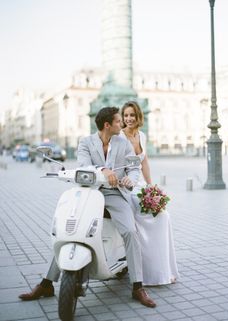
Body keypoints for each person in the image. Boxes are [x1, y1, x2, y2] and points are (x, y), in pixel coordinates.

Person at [19, 107, 156, 308]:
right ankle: (47, 283)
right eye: (119, 121)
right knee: (70, 232)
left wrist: (130, 179)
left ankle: (137, 287)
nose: (122, 124)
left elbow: (133, 168)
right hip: (89, 192)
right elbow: (84, 165)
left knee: (129, 232)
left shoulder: (123, 142)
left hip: (114, 193)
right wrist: (103, 169)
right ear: (107, 125)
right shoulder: (86, 142)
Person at [120, 101, 179, 285]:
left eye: (132, 115)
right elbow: (117, 166)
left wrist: (151, 187)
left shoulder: (141, 135)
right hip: (126, 186)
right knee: (149, 219)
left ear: (138, 117)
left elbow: (144, 162)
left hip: (141, 185)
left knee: (163, 217)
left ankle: (161, 269)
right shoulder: (119, 138)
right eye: (126, 115)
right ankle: (144, 272)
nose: (129, 118)